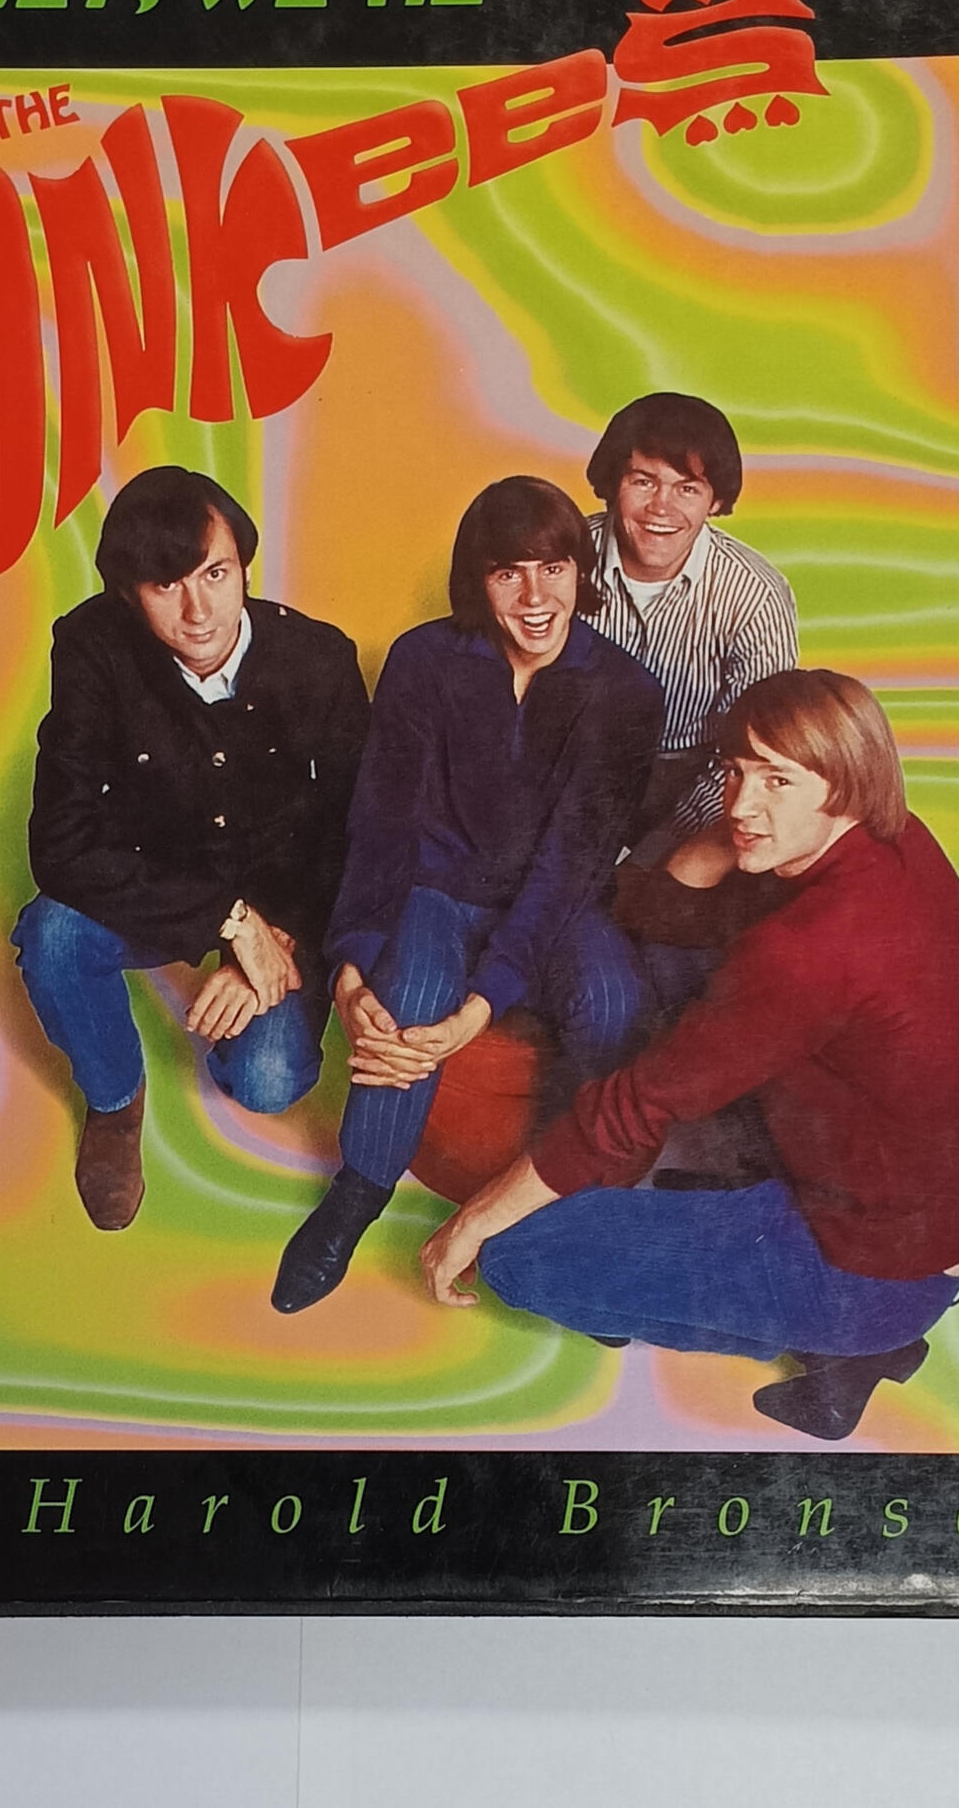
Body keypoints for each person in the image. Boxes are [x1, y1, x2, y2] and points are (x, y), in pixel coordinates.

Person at [418, 668, 959, 1441]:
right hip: (930, 1217)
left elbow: (631, 1108)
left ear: (846, 784)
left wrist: (472, 1220)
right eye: (735, 772)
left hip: (872, 1273)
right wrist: (742, 833)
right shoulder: (892, 840)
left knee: (515, 1256)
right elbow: (662, 910)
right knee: (685, 961)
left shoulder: (808, 952)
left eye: (777, 780)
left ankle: (851, 1348)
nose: (740, 804)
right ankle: (838, 1320)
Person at [270, 476, 663, 1314]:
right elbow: (381, 824)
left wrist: (482, 1006)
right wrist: (350, 969)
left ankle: (573, 1214)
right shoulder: (424, 661)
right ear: (477, 581)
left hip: (557, 905)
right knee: (406, 997)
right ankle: (358, 1192)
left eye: (554, 568)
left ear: (581, 572)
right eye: (507, 572)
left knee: (614, 1002)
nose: (535, 596)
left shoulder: (626, 691)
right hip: (438, 890)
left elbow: (569, 866)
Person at [13, 466, 369, 1230]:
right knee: (51, 935)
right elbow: (60, 843)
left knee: (269, 1079)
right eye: (165, 585)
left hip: (282, 905)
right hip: (157, 878)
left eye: (215, 573)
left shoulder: (319, 659)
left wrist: (273, 939)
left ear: (245, 567)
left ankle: (248, 988)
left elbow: (355, 832)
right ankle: (114, 1099)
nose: (199, 609)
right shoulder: (90, 647)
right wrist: (227, 921)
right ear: (128, 594)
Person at [582, 391, 798, 846]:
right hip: (568, 768)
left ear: (715, 502)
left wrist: (658, 853)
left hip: (697, 783)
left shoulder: (755, 594)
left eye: (687, 489)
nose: (661, 507)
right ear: (613, 482)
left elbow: (757, 750)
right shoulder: (562, 558)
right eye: (643, 481)